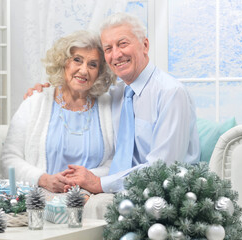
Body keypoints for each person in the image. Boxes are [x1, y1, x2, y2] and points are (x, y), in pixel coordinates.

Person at [26, 13, 201, 195]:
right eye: (108, 48)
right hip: (121, 196)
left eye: (123, 44)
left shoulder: (171, 93)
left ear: (145, 45)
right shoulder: (115, 94)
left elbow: (163, 169)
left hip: (167, 198)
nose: (116, 54)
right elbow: (77, 91)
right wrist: (45, 92)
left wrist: (99, 184)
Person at [1, 30, 115, 194]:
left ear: (100, 72)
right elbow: (9, 159)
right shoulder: (35, 102)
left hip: (89, 200)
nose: (83, 70)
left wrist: (87, 179)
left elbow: (116, 161)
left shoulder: (109, 107)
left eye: (92, 64)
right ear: (63, 62)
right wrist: (44, 179)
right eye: (77, 60)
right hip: (38, 199)